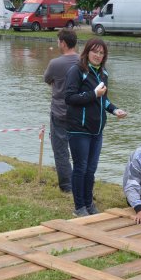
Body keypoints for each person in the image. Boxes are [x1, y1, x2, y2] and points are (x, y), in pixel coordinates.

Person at [64, 38, 127, 217]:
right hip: (79, 129)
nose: (98, 55)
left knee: (91, 169)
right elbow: (69, 98)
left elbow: (103, 99)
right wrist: (93, 94)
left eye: (102, 53)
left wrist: (115, 110)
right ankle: (79, 207)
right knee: (80, 168)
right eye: (95, 51)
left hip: (97, 130)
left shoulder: (103, 73)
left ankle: (89, 203)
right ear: (87, 51)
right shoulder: (77, 71)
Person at [43, 29, 79, 193]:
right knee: (79, 150)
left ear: (63, 43)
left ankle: (67, 186)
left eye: (58, 41)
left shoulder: (55, 64)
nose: (57, 44)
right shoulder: (82, 62)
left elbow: (47, 79)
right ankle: (81, 182)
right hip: (79, 112)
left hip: (59, 112)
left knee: (61, 150)